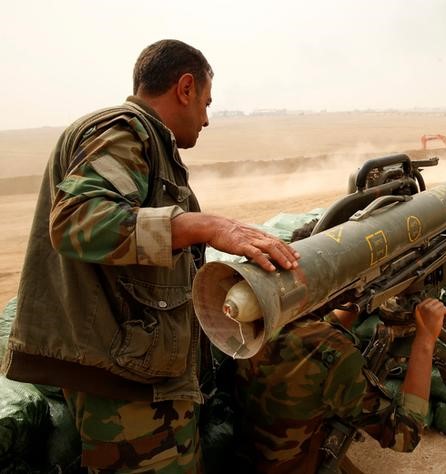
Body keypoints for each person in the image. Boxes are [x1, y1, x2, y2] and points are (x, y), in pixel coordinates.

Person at [1, 39, 299, 473]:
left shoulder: (148, 143)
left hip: (142, 375)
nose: (207, 118)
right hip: (122, 384)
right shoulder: (124, 130)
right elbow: (78, 222)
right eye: (206, 102)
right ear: (184, 87)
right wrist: (209, 226)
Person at [235, 294, 446, 473]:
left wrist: (360, 296)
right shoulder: (331, 350)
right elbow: (404, 436)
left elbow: (313, 327)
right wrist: (426, 340)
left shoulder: (260, 308)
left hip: (244, 453)